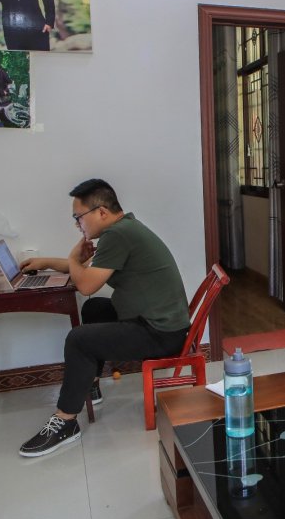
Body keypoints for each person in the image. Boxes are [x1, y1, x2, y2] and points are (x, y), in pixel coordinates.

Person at [17, 179, 190, 457]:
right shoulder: (124, 229)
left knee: (79, 340)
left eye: (78, 217)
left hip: (161, 333)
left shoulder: (117, 235)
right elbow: (86, 270)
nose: (78, 225)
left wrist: (73, 258)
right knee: (94, 309)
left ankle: (65, 422)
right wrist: (46, 262)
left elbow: (85, 284)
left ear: (101, 212)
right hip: (161, 323)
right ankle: (91, 385)